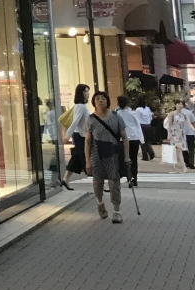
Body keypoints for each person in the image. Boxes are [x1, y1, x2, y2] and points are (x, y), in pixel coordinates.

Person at [85, 91, 128, 222]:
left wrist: (127, 156)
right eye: (97, 99)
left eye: (103, 98)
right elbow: (88, 141)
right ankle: (100, 203)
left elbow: (124, 137)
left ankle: (116, 211)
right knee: (98, 182)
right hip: (97, 155)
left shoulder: (116, 117)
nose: (100, 100)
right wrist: (87, 161)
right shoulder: (91, 119)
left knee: (114, 183)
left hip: (113, 153)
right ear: (94, 102)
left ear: (107, 101)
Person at [60, 84, 91, 190]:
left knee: (76, 158)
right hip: (81, 136)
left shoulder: (81, 106)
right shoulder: (81, 106)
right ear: (81, 93)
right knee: (87, 158)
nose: (88, 94)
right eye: (86, 91)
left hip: (80, 135)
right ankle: (100, 182)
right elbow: (75, 122)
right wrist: (67, 135)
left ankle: (65, 179)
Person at [116, 95, 143, 186]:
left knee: (125, 158)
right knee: (133, 158)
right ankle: (134, 178)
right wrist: (141, 139)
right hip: (134, 137)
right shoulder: (132, 113)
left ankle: (129, 177)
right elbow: (138, 125)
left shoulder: (117, 114)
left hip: (123, 139)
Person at [163, 100, 192, 172]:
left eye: (181, 104)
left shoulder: (185, 114)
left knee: (177, 151)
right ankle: (183, 167)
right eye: (178, 104)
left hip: (181, 134)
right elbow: (169, 124)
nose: (180, 105)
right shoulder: (172, 114)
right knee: (179, 151)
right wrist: (169, 134)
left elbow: (189, 123)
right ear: (175, 105)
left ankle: (174, 165)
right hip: (174, 134)